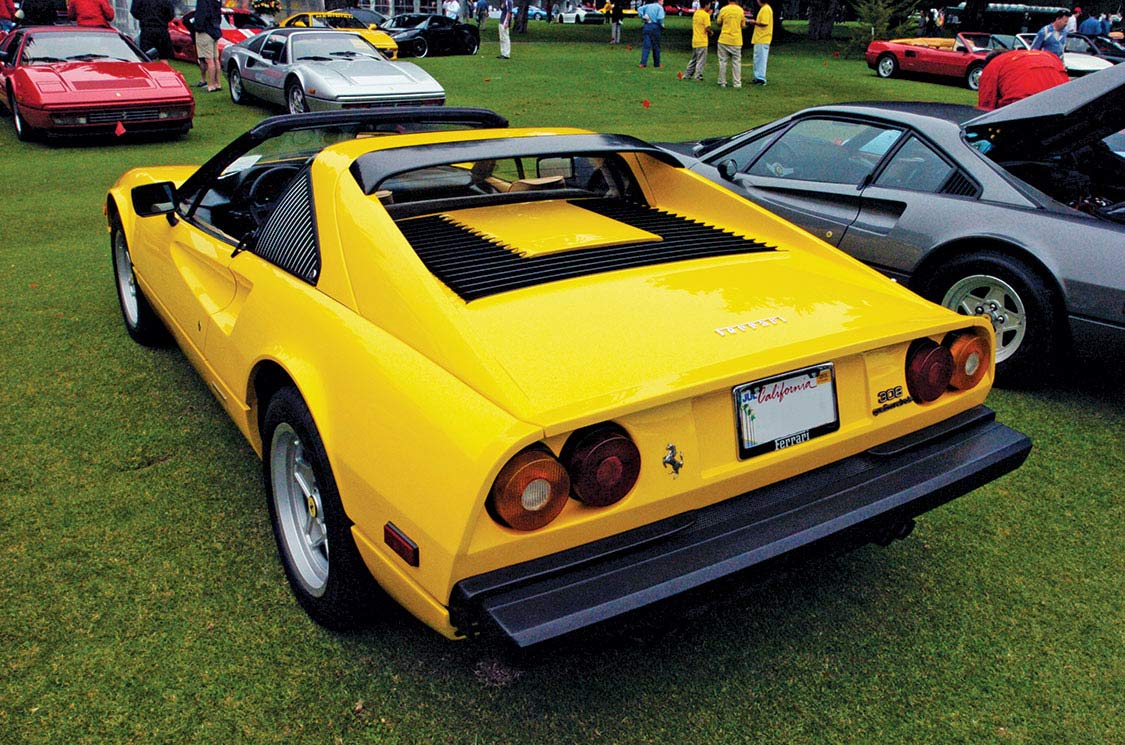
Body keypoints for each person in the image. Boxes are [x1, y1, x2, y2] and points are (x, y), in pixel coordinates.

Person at [976, 49, 1068, 110]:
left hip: (1021, 106)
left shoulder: (994, 64)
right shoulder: (1048, 56)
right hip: (1062, 103)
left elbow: (986, 104)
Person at [194, 0, 222, 92]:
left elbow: (201, 15)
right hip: (215, 31)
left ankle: (211, 85)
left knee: (209, 60)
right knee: (215, 59)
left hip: (205, 32)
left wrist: (198, 27)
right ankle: (217, 84)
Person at [714, 0, 744, 87]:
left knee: (723, 61)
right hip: (736, 40)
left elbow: (719, 22)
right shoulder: (740, 10)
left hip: (724, 39)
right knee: (736, 62)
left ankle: (722, 81)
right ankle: (737, 82)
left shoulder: (724, 9)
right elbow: (742, 24)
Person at [683, 0, 713, 80]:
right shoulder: (705, 15)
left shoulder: (696, 13)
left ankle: (687, 74)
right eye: (709, 5)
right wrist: (711, 32)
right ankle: (698, 75)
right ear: (706, 5)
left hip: (695, 39)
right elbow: (707, 28)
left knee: (694, 59)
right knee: (701, 60)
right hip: (702, 40)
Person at [748, 0, 772, 85]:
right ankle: (757, 76)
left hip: (762, 37)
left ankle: (761, 78)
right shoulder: (764, 8)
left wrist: (754, 22)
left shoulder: (765, 9)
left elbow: (764, 23)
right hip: (760, 38)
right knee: (758, 59)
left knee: (761, 59)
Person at [637, 0, 665, 67]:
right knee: (656, 46)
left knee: (646, 46)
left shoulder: (648, 6)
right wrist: (662, 25)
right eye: (662, 1)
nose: (663, 2)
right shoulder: (660, 7)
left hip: (647, 26)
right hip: (655, 26)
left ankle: (643, 63)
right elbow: (660, 18)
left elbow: (639, 9)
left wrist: (643, 16)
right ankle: (657, 63)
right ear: (659, 1)